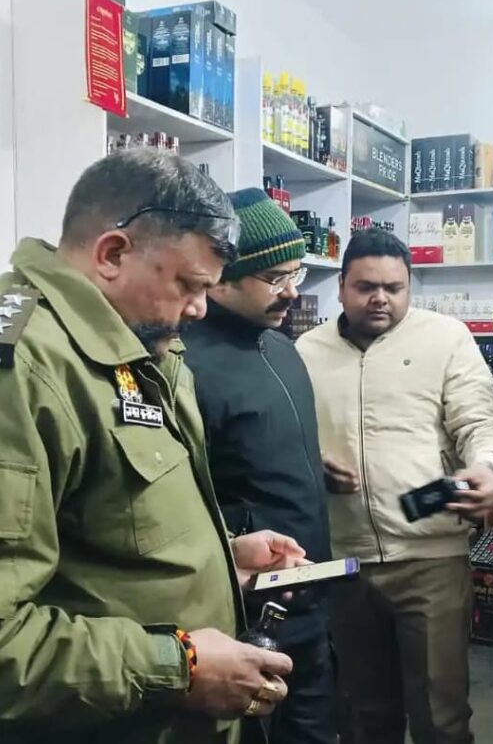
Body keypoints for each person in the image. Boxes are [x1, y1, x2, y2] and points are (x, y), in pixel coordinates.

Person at [0, 149, 309, 744]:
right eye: (187, 285)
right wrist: (179, 666)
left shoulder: (131, 344)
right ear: (112, 254)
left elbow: (99, 531)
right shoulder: (6, 376)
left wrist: (219, 559)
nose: (200, 308)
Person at [295, 228, 493, 744]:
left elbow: (480, 420)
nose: (380, 298)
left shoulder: (445, 339)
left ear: (409, 287)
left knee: (441, 716)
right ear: (341, 287)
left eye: (394, 288)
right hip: (344, 562)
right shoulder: (306, 350)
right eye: (366, 286)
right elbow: (292, 435)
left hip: (429, 559)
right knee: (363, 715)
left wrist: (488, 466)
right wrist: (312, 463)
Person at [181, 189, 335, 744]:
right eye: (274, 277)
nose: (292, 291)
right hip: (245, 609)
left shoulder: (283, 349)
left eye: (296, 273)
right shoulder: (184, 365)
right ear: (221, 279)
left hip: (310, 594)